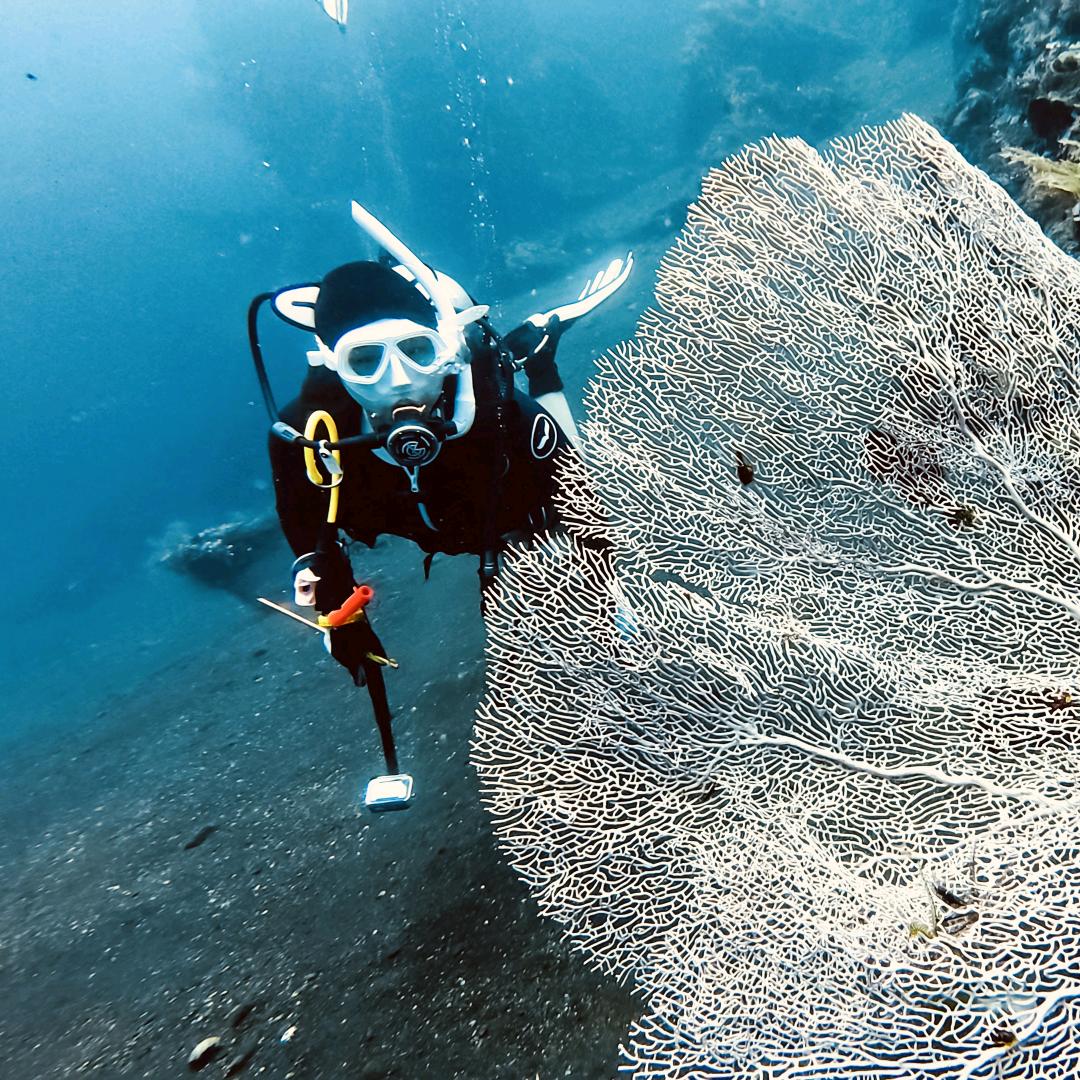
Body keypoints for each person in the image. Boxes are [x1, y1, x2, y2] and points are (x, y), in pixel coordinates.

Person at [249, 201, 631, 808]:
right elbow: (306, 532)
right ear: (333, 367)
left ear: (445, 350)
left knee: (577, 497)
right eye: (366, 361)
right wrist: (338, 611)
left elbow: (577, 495)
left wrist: (617, 594)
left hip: (499, 503)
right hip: (414, 516)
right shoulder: (309, 435)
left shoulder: (493, 407)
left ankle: (541, 358)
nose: (398, 379)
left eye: (416, 351)